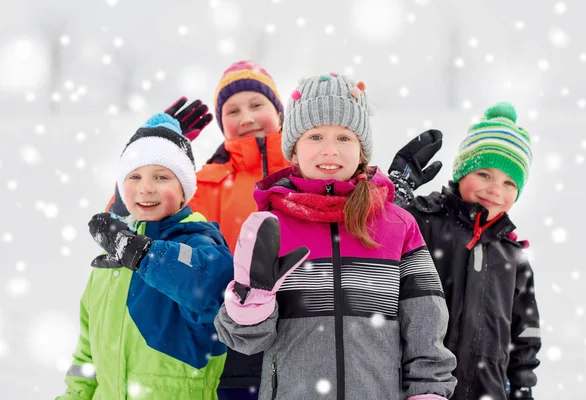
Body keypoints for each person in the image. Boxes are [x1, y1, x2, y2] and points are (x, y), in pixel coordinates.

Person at [215, 73, 457, 399]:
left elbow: (426, 324)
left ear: (361, 152)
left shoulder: (398, 225)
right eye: (315, 137)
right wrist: (253, 299)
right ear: (294, 151)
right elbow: (246, 339)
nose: (329, 150)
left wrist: (428, 393)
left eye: (344, 138)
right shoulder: (268, 227)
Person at [105, 60, 290, 399]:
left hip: (302, 333)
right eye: (232, 111)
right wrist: (151, 154)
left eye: (256, 104)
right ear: (222, 124)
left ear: (279, 111)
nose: (246, 118)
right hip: (230, 342)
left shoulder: (308, 173)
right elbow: (130, 223)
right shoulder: (204, 183)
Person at [57, 113, 233, 399]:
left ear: (184, 189)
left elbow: (210, 287)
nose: (146, 188)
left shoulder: (200, 243)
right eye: (134, 176)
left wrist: (138, 252)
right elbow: (87, 354)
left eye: (162, 176)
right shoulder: (109, 263)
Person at [388, 102, 542, 400]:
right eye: (484, 174)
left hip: (488, 390)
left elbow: (525, 336)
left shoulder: (512, 256)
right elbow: (373, 241)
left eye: (509, 182)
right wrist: (396, 193)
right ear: (462, 171)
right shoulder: (423, 221)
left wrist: (522, 388)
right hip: (420, 387)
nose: (495, 189)